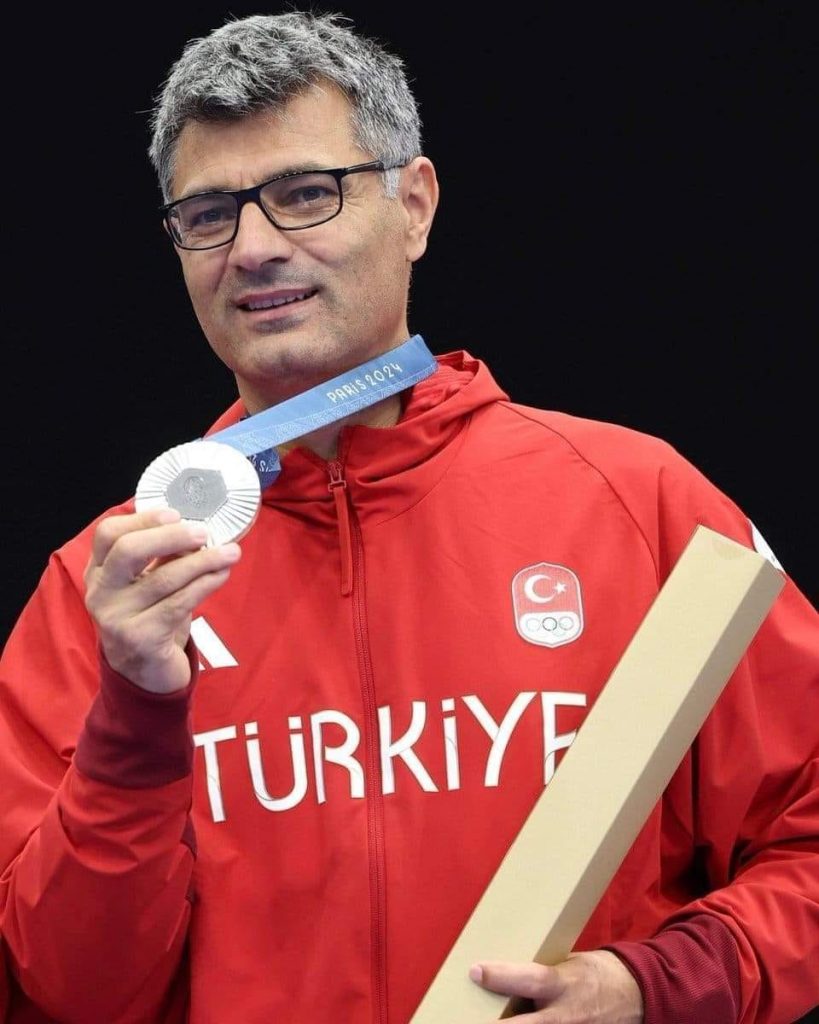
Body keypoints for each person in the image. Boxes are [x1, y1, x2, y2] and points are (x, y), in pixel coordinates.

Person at [0, 10, 816, 1024]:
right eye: (208, 214)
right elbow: (70, 990)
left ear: (415, 205)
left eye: (305, 193)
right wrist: (134, 717)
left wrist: (657, 987)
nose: (253, 248)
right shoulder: (107, 590)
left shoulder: (638, 502)